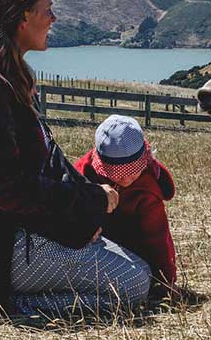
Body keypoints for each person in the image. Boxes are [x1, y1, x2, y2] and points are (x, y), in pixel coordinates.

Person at [0, 0, 150, 319]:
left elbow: (38, 167)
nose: (54, 17)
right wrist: (91, 200)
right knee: (134, 283)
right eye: (47, 8)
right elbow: (9, 191)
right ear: (22, 16)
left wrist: (86, 206)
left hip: (13, 231)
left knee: (134, 265)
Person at [74, 115, 179, 299]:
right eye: (117, 174)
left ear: (144, 161)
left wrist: (166, 279)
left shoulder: (147, 190)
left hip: (135, 253)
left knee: (142, 276)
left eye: (132, 172)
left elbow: (158, 238)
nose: (125, 179)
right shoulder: (85, 173)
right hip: (95, 246)